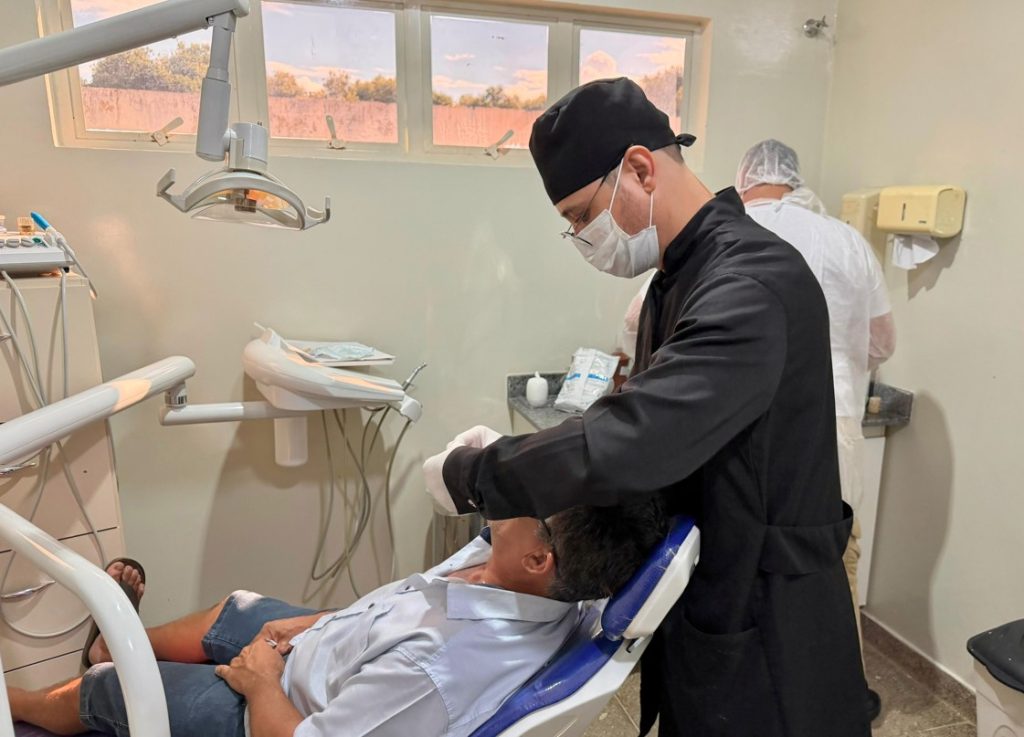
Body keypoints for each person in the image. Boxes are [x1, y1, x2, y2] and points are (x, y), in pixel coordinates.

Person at [424, 78, 870, 737]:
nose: (582, 236)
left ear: (639, 168)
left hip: (769, 622)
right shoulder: (679, 277)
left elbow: (634, 438)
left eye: (582, 215)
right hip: (715, 595)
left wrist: (475, 474)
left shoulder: (750, 282)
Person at [9, 501, 666, 737]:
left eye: (532, 493)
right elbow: (406, 607)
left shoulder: (435, 673)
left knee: (115, 691)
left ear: (539, 558)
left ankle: (30, 705)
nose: (513, 485)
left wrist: (261, 682)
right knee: (238, 609)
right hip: (335, 648)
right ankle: (111, 645)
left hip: (278, 713)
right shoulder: (516, 569)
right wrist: (323, 623)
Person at [736, 138, 897, 718]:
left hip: (742, 430)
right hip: (834, 426)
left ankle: (753, 703)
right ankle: (842, 700)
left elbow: (637, 322)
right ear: (796, 179)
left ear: (744, 178)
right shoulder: (847, 241)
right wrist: (846, 365)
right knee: (835, 562)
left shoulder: (725, 231)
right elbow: (882, 341)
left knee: (745, 563)